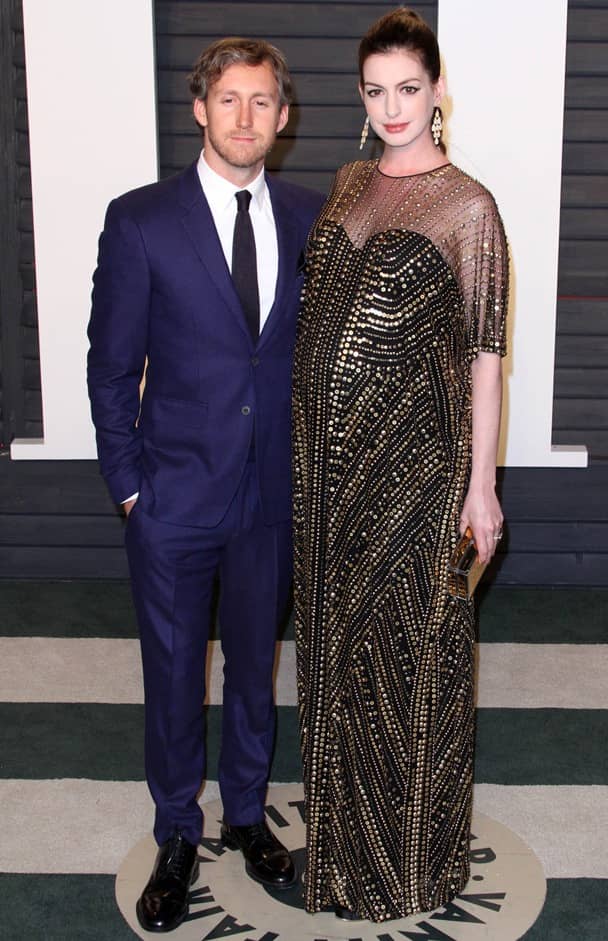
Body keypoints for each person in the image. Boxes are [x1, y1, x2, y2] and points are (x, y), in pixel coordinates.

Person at [87, 37, 323, 933]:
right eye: (229, 100)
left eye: (262, 102)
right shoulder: (142, 219)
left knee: (258, 670)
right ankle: (177, 832)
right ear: (200, 109)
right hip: (174, 496)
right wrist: (131, 489)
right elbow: (110, 367)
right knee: (177, 675)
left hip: (272, 496)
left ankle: (249, 817)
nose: (245, 118)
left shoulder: (311, 217)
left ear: (283, 117)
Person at [292, 7, 508, 923]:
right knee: (334, 658)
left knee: (409, 663)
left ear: (438, 92)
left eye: (408, 89)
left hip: (416, 476)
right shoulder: (346, 184)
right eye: (376, 91)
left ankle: (409, 864)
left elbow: (485, 355)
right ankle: (340, 846)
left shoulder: (468, 207)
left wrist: (482, 485)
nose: (392, 107)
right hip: (324, 477)